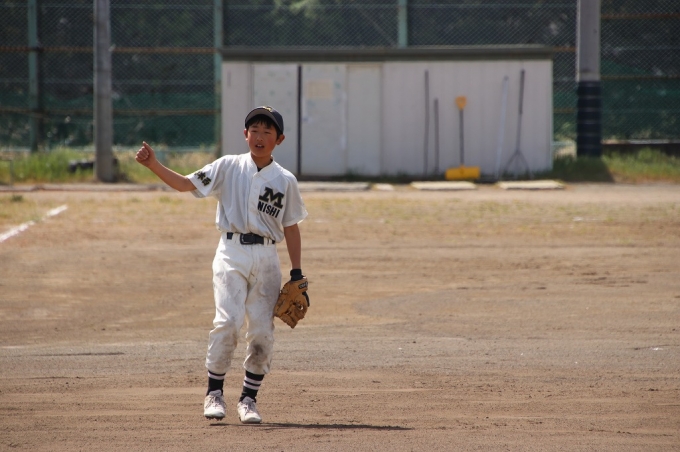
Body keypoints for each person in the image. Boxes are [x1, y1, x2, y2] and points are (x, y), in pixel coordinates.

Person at [135, 106, 308, 424]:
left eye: (267, 131)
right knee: (228, 322)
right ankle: (214, 393)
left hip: (267, 258)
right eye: (254, 130)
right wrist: (153, 165)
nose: (259, 136)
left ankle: (248, 400)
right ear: (245, 134)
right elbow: (185, 184)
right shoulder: (227, 166)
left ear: (279, 139)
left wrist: (297, 273)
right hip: (231, 252)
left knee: (262, 331)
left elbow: (292, 227)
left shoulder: (285, 180)